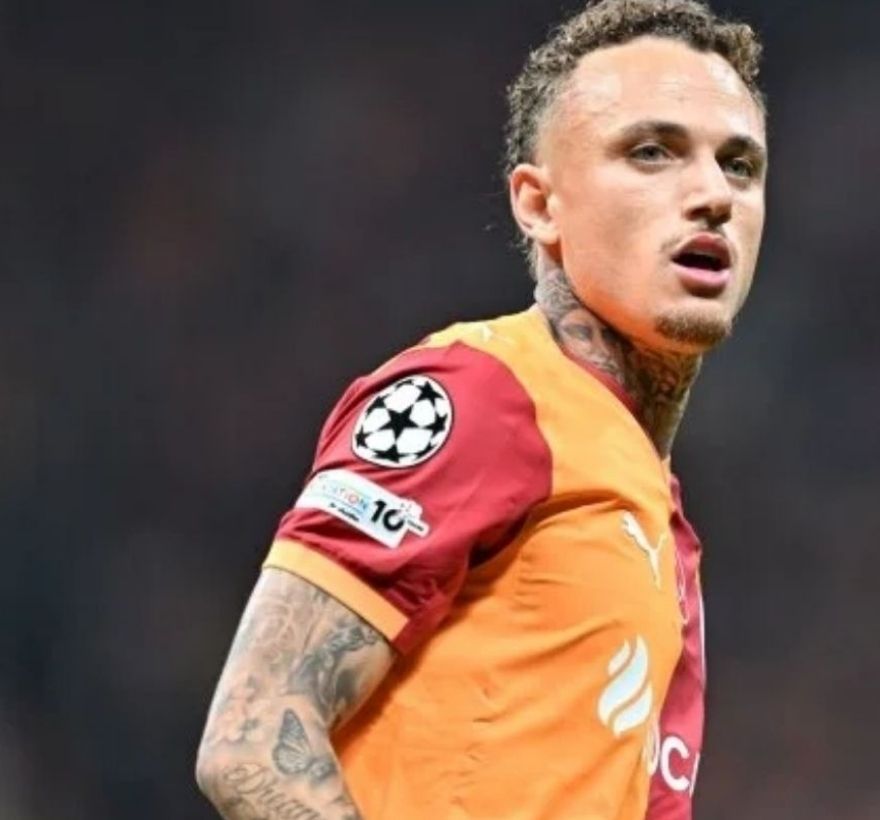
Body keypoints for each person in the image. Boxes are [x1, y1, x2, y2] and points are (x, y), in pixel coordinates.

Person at [194, 0, 768, 816]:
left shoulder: (653, 503)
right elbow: (251, 743)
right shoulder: (485, 395)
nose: (713, 193)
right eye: (651, 152)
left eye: (739, 165)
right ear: (539, 205)